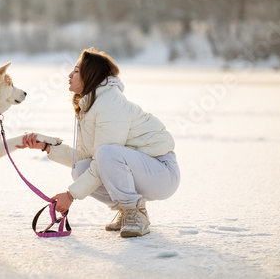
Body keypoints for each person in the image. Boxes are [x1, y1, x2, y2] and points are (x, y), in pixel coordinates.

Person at [17, 48, 180, 237]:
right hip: (142, 169)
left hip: (162, 172)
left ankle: (134, 213)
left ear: (90, 75)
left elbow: (105, 157)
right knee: (80, 168)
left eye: (76, 71)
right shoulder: (92, 103)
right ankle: (130, 209)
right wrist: (47, 146)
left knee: (106, 154)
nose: (70, 75)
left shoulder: (110, 103)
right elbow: (87, 158)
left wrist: (70, 196)